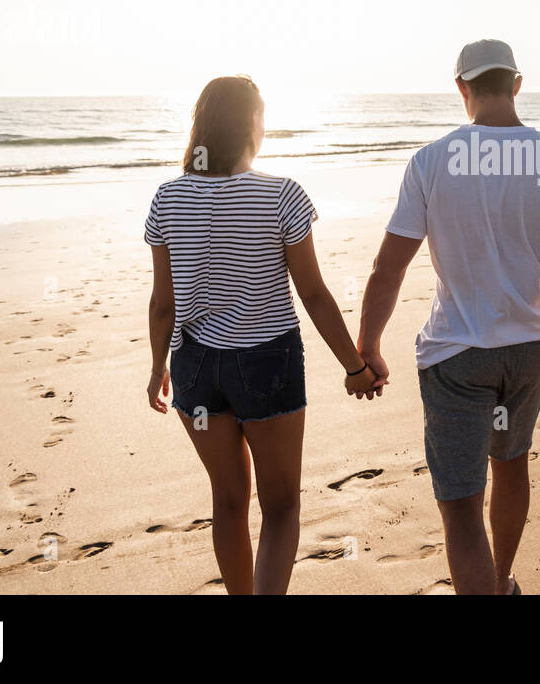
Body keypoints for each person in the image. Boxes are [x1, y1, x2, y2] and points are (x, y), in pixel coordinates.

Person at [357, 40, 540, 595]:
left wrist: (367, 346)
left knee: (461, 507)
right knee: (511, 464)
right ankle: (502, 580)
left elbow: (387, 267)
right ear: (516, 83)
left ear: (461, 88)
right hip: (531, 350)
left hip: (457, 354)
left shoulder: (431, 161)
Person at [144, 74, 386, 594]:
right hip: (266, 361)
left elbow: (163, 303)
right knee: (281, 508)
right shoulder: (282, 195)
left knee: (228, 502)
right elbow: (315, 294)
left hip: (195, 367)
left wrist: (156, 367)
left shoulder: (167, 198)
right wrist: (356, 367)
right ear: (251, 123)